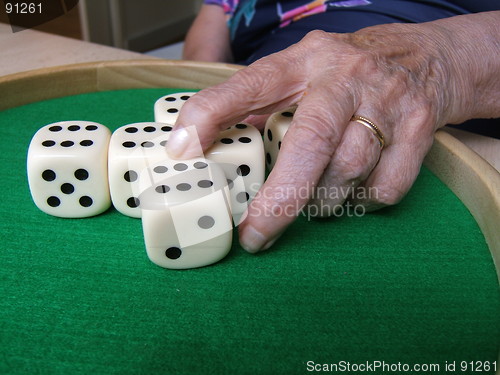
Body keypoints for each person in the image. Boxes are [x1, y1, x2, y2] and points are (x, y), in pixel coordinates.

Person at [166, 0, 500, 253]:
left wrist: (445, 64)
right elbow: (216, 14)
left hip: (444, 90)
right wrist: (208, 94)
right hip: (270, 73)